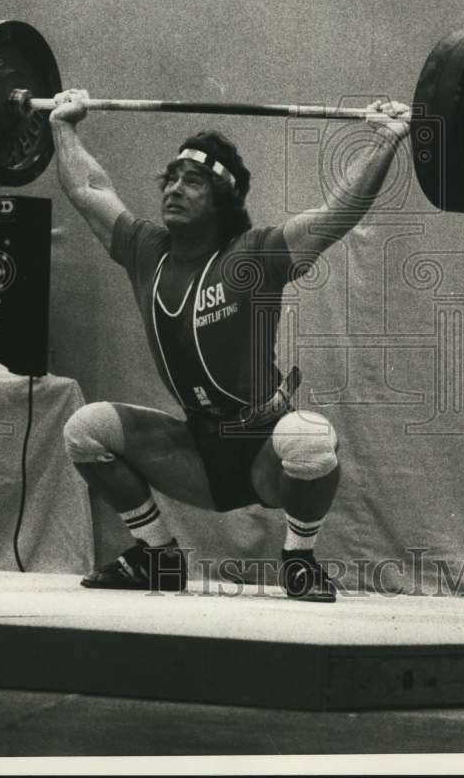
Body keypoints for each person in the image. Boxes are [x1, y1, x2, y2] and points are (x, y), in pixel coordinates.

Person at [51, 90, 410, 601]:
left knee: (310, 437)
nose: (174, 189)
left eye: (192, 181)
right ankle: (160, 557)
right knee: (86, 430)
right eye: (171, 179)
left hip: (265, 452)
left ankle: (299, 561)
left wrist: (387, 139)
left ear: (224, 197)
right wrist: (63, 125)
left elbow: (337, 213)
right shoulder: (144, 250)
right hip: (197, 454)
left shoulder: (254, 255)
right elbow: (88, 189)